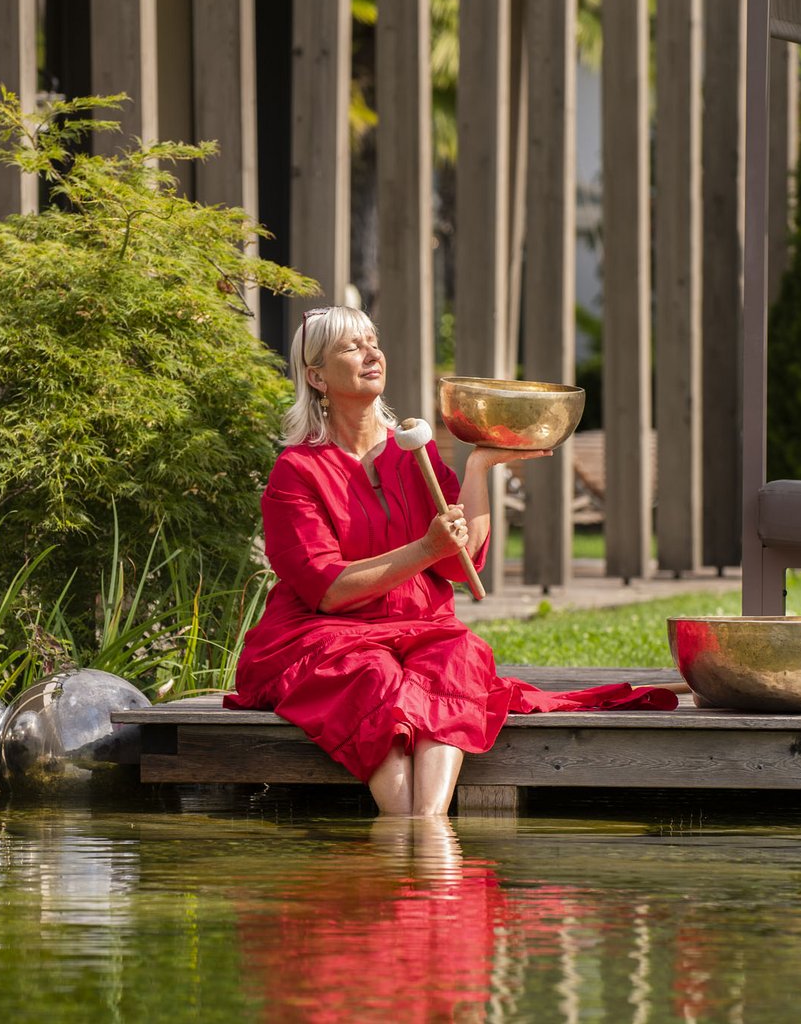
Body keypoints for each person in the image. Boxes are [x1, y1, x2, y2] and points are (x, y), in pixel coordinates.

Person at [226, 305, 679, 816]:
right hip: (325, 632)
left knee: (456, 661)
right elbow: (328, 590)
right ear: (316, 376)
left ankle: (428, 830)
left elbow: (460, 563)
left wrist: (479, 467)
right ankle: (408, 834)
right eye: (352, 347)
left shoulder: (410, 453)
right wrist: (424, 549)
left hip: (420, 625)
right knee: (372, 676)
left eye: (374, 341)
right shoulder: (297, 471)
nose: (371, 353)